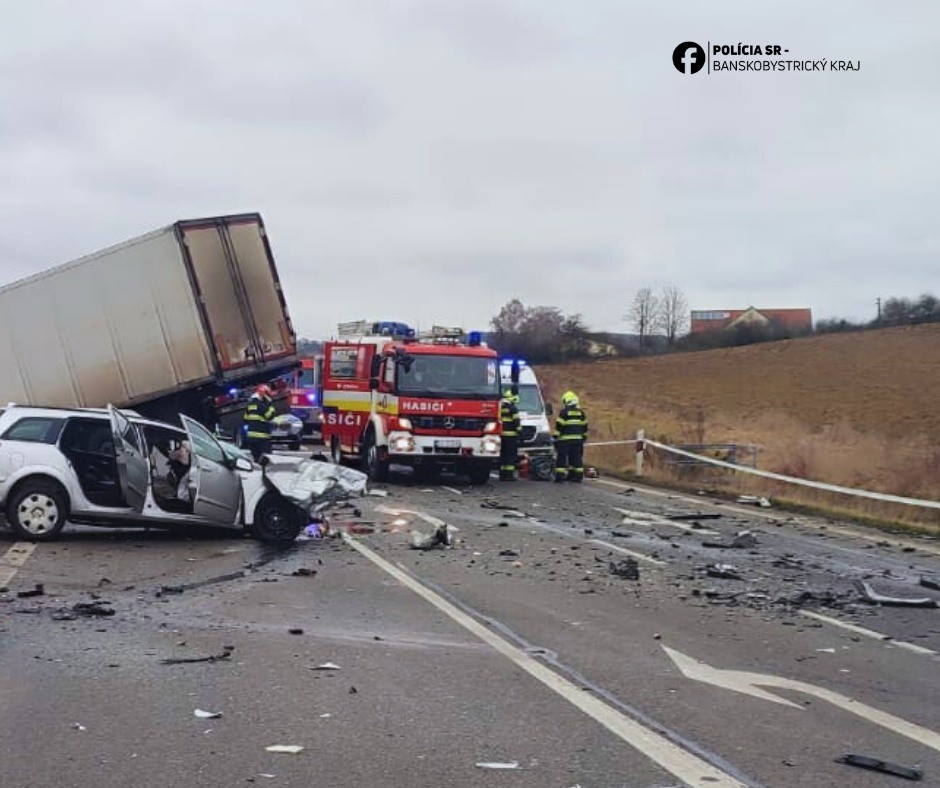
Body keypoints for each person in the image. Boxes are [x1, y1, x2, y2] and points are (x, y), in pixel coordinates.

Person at [553, 390, 588, 482]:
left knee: (562, 458)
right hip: (578, 440)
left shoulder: (564, 412)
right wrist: (583, 438)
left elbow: (559, 426)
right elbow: (585, 427)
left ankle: (559, 477)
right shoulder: (581, 413)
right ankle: (577, 477)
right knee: (576, 458)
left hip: (564, 440)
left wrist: (555, 437)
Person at [243, 384, 277, 461]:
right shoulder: (262, 405)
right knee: (265, 460)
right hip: (262, 438)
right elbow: (269, 416)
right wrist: (271, 406)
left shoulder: (250, 405)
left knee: (256, 459)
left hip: (251, 438)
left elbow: (245, 419)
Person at [499, 391, 521, 481]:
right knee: (511, 455)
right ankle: (509, 475)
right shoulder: (513, 409)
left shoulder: (500, 408)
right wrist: (520, 433)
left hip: (501, 436)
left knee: (503, 455)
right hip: (511, 436)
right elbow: (516, 422)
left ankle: (502, 475)